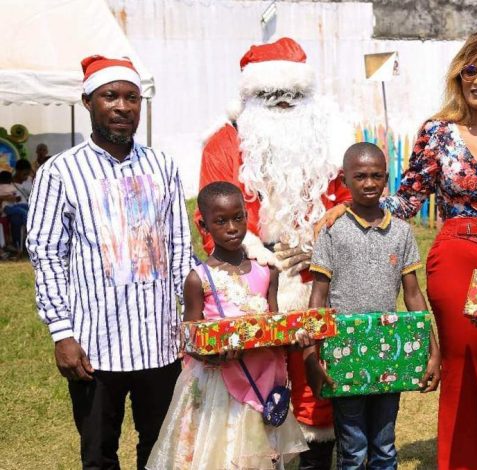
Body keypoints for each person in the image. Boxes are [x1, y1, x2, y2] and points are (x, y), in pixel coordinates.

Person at [316, 30, 477, 469]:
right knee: (461, 369)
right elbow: (405, 201)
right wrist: (348, 208)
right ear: (459, 75)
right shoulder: (438, 132)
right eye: (470, 70)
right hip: (456, 256)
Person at [26, 55, 192, 469]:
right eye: (110, 96)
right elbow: (46, 253)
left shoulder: (162, 166)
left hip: (160, 341)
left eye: (131, 98)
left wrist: (192, 323)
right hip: (93, 346)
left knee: (161, 449)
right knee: (99, 453)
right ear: (88, 102)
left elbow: (179, 248)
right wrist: (62, 333)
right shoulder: (60, 172)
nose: (122, 107)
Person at [197, 37, 353, 468]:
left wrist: (320, 254)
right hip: (249, 289)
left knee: (315, 392)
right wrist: (262, 258)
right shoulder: (223, 144)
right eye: (271, 96)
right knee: (253, 394)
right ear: (250, 98)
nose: (284, 104)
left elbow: (349, 207)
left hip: (318, 284)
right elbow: (212, 224)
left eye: (294, 96)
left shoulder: (334, 142)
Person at [147, 182, 308, 469]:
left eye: (238, 217)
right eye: (220, 221)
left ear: (248, 216)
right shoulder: (199, 279)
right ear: (204, 225)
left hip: (263, 380)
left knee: (261, 455)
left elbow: (274, 324)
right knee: (224, 454)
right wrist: (211, 355)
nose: (232, 227)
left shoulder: (267, 271)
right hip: (219, 386)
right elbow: (189, 338)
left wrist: (294, 338)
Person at [303, 143, 441, 469]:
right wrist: (310, 355)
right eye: (360, 176)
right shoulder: (333, 231)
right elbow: (318, 298)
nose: (368, 183)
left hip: (390, 354)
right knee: (352, 451)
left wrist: (433, 350)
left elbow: (413, 295)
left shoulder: (402, 232)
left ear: (386, 178)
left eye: (376, 176)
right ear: (346, 179)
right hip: (343, 353)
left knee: (384, 446)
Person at [0, 170, 27, 252]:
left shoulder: (11, 186)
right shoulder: (1, 187)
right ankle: (28, 224)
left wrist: (15, 198)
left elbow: (17, 198)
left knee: (26, 206)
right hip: (7, 208)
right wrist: (9, 197)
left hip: (13, 205)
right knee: (22, 211)